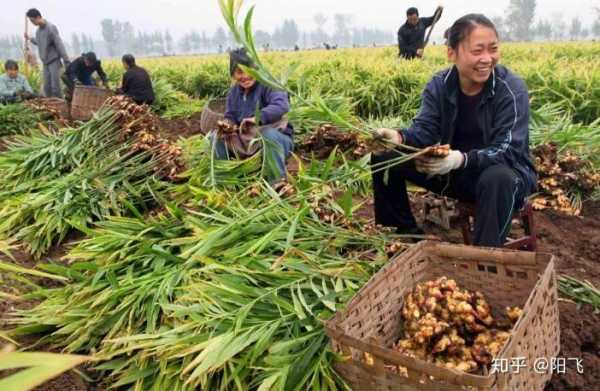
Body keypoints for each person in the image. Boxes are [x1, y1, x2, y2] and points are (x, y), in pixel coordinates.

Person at [374, 14, 537, 248]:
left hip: (505, 178)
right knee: (386, 156)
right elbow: (425, 131)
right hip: (455, 172)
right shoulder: (440, 84)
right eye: (477, 50)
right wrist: (398, 137)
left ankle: (484, 260)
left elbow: (509, 150)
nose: (487, 59)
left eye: (493, 49)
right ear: (451, 52)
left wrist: (460, 159)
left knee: (497, 177)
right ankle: (404, 234)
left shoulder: (510, 88)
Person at [209, 48, 294, 182]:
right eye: (239, 72)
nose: (245, 76)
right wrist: (227, 124)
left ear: (256, 68)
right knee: (215, 137)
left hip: (276, 140)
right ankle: (224, 181)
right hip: (246, 142)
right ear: (233, 74)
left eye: (249, 70)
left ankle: (277, 183)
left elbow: (281, 106)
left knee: (268, 135)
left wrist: (256, 119)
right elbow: (230, 116)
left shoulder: (269, 84)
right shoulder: (233, 93)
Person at [25, 8, 70, 98]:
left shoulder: (50, 28)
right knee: (47, 87)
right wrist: (30, 38)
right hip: (45, 62)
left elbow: (59, 44)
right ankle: (50, 106)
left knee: (55, 87)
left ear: (38, 17)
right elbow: (40, 43)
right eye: (30, 21)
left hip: (54, 61)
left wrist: (66, 60)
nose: (32, 23)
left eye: (32, 20)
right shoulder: (38, 31)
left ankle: (60, 105)